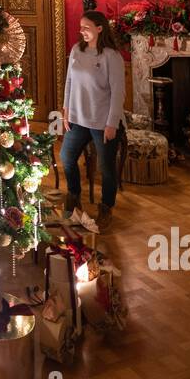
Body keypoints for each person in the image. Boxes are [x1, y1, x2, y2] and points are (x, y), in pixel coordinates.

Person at [60, 11, 127, 229]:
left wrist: (112, 123)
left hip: (102, 121)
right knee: (67, 157)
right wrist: (66, 108)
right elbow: (69, 81)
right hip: (77, 118)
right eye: (81, 27)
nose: (82, 31)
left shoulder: (111, 56)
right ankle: (74, 195)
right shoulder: (76, 50)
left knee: (105, 167)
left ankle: (106, 207)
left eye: (87, 27)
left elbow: (118, 92)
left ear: (100, 28)